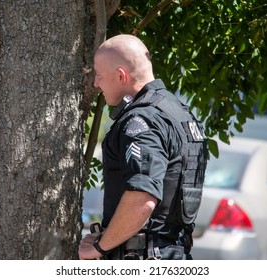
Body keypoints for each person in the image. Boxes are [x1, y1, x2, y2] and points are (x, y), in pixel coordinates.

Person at [79, 34, 208, 260]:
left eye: (99, 76)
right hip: (172, 253)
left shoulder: (142, 120)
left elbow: (142, 198)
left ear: (121, 76)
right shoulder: (179, 112)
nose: (95, 83)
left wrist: (99, 247)